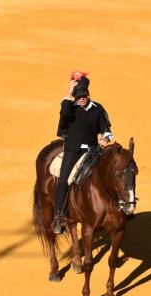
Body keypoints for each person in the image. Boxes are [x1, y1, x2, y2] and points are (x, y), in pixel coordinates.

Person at [53, 72, 113, 234]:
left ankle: (119, 208)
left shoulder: (97, 109)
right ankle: (59, 216)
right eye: (78, 96)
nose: (82, 98)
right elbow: (64, 115)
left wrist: (105, 140)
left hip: (93, 150)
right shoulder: (69, 108)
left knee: (109, 174)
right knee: (65, 178)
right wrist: (68, 93)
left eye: (84, 95)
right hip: (73, 150)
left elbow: (106, 130)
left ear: (88, 94)